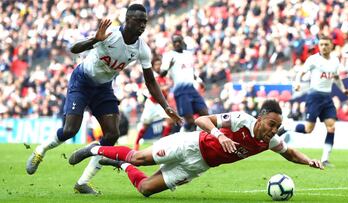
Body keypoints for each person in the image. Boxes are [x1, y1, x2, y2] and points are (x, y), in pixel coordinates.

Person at [25, 4, 182, 194]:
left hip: (104, 88)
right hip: (82, 81)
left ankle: (83, 182)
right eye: (139, 21)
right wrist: (94, 40)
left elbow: (150, 81)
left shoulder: (142, 49)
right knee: (69, 130)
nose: (143, 25)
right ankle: (40, 151)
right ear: (128, 19)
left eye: (145, 22)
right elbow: (74, 48)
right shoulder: (110, 34)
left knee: (112, 135)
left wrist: (166, 107)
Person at [69, 100, 323, 197]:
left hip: (199, 165)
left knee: (145, 189)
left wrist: (309, 160)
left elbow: (289, 153)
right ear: (261, 117)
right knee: (138, 158)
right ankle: (95, 150)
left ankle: (119, 163)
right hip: (190, 144)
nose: (273, 130)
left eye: (277, 127)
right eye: (271, 124)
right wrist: (217, 135)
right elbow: (201, 120)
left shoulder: (269, 142)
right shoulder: (240, 119)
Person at [278, 35, 348, 166]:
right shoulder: (313, 60)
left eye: (326, 44)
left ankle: (325, 159)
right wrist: (296, 83)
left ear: (331, 46)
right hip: (314, 97)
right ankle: (287, 126)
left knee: (331, 127)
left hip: (327, 98)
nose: (323, 47)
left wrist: (343, 89)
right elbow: (300, 73)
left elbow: (336, 77)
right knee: (308, 129)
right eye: (321, 44)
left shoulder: (335, 61)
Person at [160, 34, 209, 132]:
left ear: (183, 42)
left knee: (205, 113)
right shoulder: (169, 55)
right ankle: (183, 135)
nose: (177, 44)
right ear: (172, 44)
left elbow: (192, 71)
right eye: (175, 42)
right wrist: (169, 66)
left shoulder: (188, 54)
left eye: (179, 41)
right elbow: (162, 73)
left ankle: (204, 136)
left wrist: (199, 81)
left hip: (192, 89)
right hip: (181, 91)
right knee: (189, 120)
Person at [134, 56, 174, 150]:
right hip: (151, 103)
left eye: (159, 64)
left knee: (170, 121)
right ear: (152, 65)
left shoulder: (164, 77)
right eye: (156, 64)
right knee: (145, 125)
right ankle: (136, 143)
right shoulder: (152, 75)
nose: (158, 66)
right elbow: (157, 88)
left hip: (161, 104)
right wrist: (165, 87)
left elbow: (166, 84)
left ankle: (162, 143)